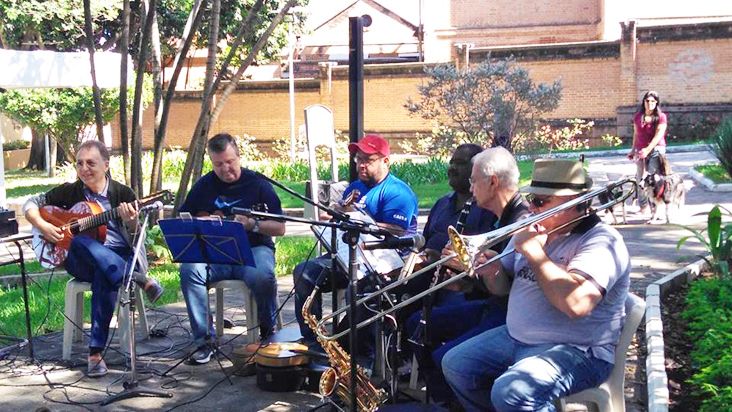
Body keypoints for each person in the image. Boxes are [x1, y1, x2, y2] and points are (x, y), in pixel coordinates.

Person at [442, 158, 631, 411]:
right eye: (531, 199)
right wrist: (491, 271)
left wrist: (536, 255)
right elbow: (504, 288)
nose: (531, 208)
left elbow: (576, 305)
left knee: (511, 392)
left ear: (575, 202)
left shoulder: (602, 241)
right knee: (455, 365)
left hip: (579, 350)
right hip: (517, 338)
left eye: (540, 202)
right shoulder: (532, 229)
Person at [24, 140, 164, 378]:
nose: (84, 169)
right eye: (79, 163)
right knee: (79, 241)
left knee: (106, 273)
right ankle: (139, 279)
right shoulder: (70, 191)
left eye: (91, 163)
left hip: (118, 255)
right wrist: (43, 225)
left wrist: (131, 221)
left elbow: (135, 239)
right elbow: (31, 203)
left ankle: (95, 353)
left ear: (106, 165)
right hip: (81, 260)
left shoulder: (123, 194)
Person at [406, 146, 530, 403]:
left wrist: (471, 275)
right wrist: (464, 283)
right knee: (417, 325)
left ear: (493, 182)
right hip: (492, 304)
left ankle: (462, 402)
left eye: (474, 181)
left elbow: (511, 286)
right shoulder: (499, 217)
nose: (470, 188)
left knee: (446, 357)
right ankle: (446, 401)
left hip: (507, 316)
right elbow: (493, 277)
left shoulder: (519, 221)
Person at [293, 134, 418, 363]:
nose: (361, 164)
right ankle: (313, 343)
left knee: (356, 288)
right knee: (304, 272)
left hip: (384, 263)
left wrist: (356, 219)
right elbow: (342, 216)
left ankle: (358, 354)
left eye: (368, 160)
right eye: (358, 158)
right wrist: (336, 213)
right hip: (349, 255)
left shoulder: (398, 192)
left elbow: (396, 230)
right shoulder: (356, 187)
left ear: (385, 162)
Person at [178, 133, 286, 364]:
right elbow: (185, 217)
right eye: (219, 164)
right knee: (189, 270)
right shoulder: (204, 186)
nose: (226, 168)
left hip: (254, 250)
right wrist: (201, 222)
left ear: (238, 156)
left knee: (262, 276)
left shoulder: (258, 184)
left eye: (230, 162)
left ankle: (268, 332)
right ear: (212, 162)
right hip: (216, 255)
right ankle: (203, 342)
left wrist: (253, 224)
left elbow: (280, 227)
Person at [628, 90, 668, 214]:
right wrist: (633, 150)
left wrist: (648, 149)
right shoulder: (638, 117)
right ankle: (643, 206)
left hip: (656, 150)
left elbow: (658, 135)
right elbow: (636, 134)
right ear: (644, 102)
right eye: (647, 101)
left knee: (651, 179)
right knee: (640, 179)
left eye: (652, 101)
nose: (649, 103)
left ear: (656, 103)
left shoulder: (661, 117)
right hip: (640, 150)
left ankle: (655, 209)